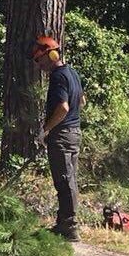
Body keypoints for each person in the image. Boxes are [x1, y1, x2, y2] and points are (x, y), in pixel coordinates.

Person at [34, 35, 83, 241]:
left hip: (62, 134)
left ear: (52, 55)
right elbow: (81, 100)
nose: (40, 65)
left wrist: (46, 130)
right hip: (74, 133)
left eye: (41, 60)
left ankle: (70, 227)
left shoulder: (58, 77)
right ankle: (63, 222)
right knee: (69, 179)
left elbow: (63, 107)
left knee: (64, 181)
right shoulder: (73, 73)